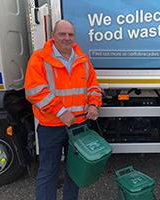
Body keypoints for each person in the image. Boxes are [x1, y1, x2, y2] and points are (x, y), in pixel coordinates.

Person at [24, 20, 102, 200]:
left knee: (74, 172)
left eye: (70, 34)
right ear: (53, 36)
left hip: (78, 126)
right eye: (62, 34)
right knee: (47, 172)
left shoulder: (82, 59)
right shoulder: (39, 58)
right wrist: (60, 111)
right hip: (51, 126)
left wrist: (93, 104)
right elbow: (34, 91)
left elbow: (93, 86)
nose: (67, 38)